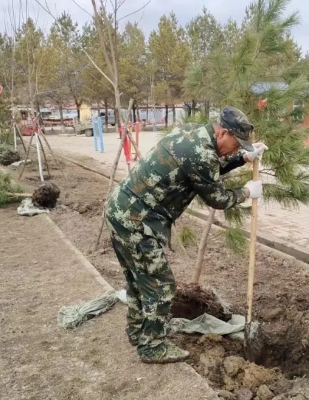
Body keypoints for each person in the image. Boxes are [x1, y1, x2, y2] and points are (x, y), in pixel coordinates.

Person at [105, 107, 266, 364]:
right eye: (237, 144)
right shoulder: (202, 153)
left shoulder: (193, 134)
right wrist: (246, 192)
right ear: (223, 132)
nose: (237, 149)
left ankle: (137, 332)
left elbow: (203, 168)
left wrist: (242, 159)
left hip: (120, 210)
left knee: (137, 280)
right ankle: (152, 347)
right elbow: (218, 198)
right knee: (161, 285)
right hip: (137, 221)